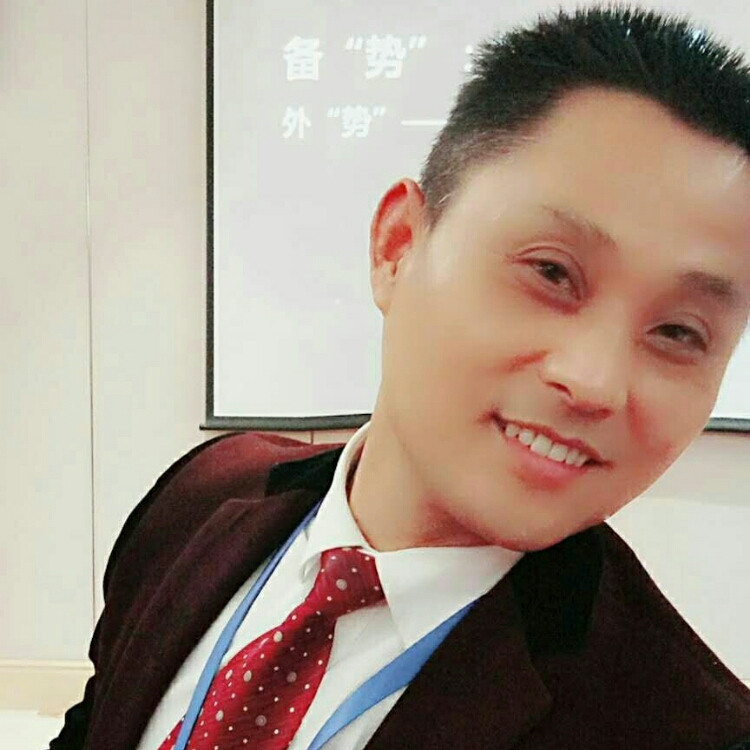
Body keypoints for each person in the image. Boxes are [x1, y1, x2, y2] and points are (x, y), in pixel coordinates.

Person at [50, 6, 750, 750]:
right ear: (398, 245)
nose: (596, 382)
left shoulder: (682, 727)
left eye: (679, 332)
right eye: (552, 272)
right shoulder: (201, 498)